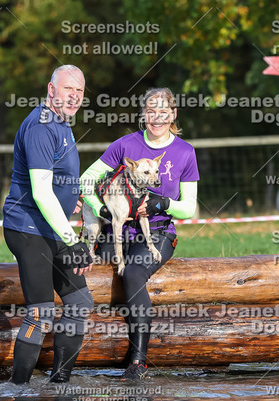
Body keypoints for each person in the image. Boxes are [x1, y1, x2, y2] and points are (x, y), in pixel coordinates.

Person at [80, 87, 200, 380]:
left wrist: (164, 203)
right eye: (150, 111)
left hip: (157, 233)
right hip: (116, 232)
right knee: (80, 265)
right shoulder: (124, 145)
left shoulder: (185, 152)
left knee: (132, 273)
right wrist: (100, 208)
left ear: (173, 114)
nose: (156, 117)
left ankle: (138, 362)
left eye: (163, 111)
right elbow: (85, 180)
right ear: (143, 114)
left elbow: (189, 208)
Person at [3, 65, 94, 384]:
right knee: (40, 313)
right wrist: (73, 241)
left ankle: (59, 384)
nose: (75, 96)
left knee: (79, 302)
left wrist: (71, 198)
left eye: (80, 90)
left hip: (52, 228)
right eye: (68, 88)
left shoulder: (62, 123)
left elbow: (56, 179)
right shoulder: (42, 125)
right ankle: (17, 390)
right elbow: (41, 193)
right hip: (28, 228)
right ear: (51, 89)